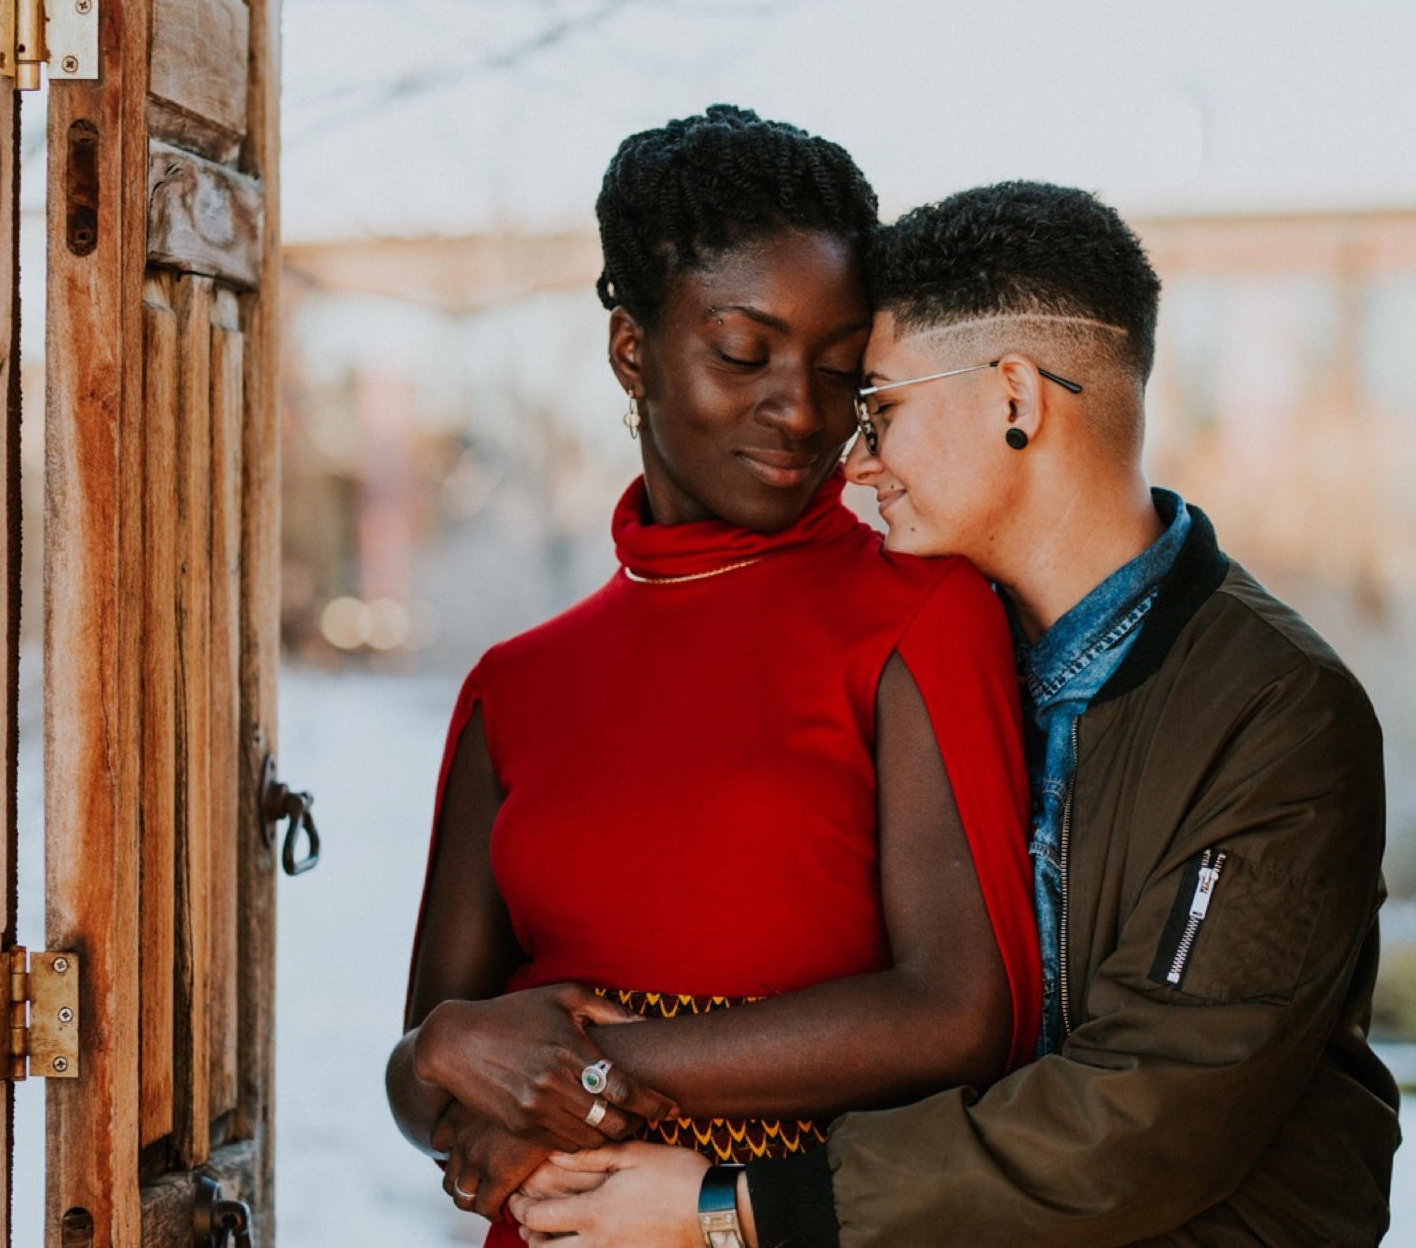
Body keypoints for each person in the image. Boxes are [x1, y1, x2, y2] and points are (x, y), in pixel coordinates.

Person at [507, 182, 1401, 1246]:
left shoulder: (1275, 709)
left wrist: (730, 1208)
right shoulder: (930, 659)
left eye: (876, 406)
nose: (852, 454)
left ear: (1015, 398)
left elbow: (1149, 1116)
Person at [383, 108, 1043, 1247]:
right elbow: (435, 1081)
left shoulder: (921, 614)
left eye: (838, 372)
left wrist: (583, 1075)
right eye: (744, 353)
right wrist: (435, 1053)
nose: (800, 410)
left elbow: (960, 1011)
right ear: (631, 349)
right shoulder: (515, 685)